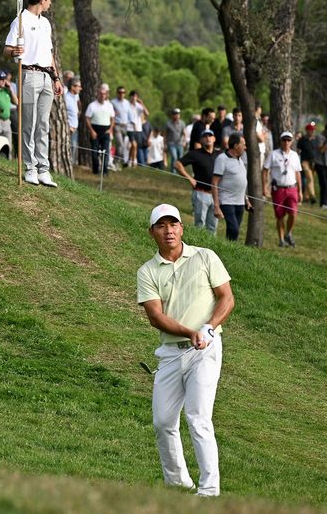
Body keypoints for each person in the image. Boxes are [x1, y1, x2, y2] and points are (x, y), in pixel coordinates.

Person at [137, 203, 234, 498]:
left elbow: (226, 298)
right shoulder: (147, 271)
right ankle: (178, 484)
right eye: (162, 226)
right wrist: (188, 331)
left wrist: (207, 328)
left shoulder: (205, 256)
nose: (169, 231)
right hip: (170, 353)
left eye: (174, 224)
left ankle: (209, 490)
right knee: (163, 421)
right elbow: (156, 317)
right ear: (152, 232)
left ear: (182, 228)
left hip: (205, 349)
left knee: (198, 416)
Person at [4, 0, 63, 187]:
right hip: (28, 76)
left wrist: (56, 78)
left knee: (43, 125)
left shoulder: (45, 23)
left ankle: (43, 170)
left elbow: (49, 54)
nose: (50, 3)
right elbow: (7, 49)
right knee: (28, 123)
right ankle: (29, 168)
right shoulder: (20, 20)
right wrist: (14, 52)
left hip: (47, 77)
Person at [174, 129, 219, 234]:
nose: (208, 138)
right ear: (201, 140)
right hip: (200, 193)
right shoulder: (195, 154)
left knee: (213, 226)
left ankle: (210, 248)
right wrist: (189, 178)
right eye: (205, 136)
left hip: (216, 194)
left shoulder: (219, 155)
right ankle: (198, 245)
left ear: (214, 138)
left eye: (210, 135)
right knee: (199, 223)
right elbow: (177, 164)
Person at [263, 131, 303, 247]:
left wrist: (300, 190)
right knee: (280, 215)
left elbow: (298, 173)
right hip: (278, 189)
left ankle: (288, 233)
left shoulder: (295, 155)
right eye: (284, 140)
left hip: (292, 188)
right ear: (280, 141)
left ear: (291, 142)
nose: (286, 142)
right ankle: (281, 240)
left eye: (288, 140)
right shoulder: (273, 154)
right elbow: (265, 170)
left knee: (293, 213)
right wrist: (265, 186)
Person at [210, 133, 250, 242]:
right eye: (243, 144)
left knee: (234, 231)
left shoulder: (240, 160)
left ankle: (229, 250)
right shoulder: (222, 159)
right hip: (227, 200)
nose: (245, 147)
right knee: (234, 229)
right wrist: (217, 206)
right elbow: (214, 182)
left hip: (240, 202)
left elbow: (242, 182)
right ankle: (229, 248)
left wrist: (246, 200)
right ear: (236, 145)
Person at [84, 83, 116, 174]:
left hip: (106, 130)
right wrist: (91, 131)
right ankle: (96, 170)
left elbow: (113, 118)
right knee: (95, 152)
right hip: (95, 130)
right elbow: (87, 118)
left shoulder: (109, 105)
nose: (102, 96)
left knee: (106, 152)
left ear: (106, 95)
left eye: (104, 94)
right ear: (98, 94)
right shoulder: (92, 105)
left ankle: (105, 171)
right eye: (101, 94)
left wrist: (110, 130)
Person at [296, 122, 318, 205]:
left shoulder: (315, 140)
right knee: (310, 178)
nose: (312, 131)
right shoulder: (302, 140)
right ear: (307, 130)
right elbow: (298, 151)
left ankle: (306, 197)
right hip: (304, 161)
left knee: (310, 179)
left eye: (313, 130)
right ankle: (312, 196)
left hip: (313, 162)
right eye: (311, 130)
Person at [63, 78, 82, 157]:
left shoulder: (75, 97)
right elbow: (63, 114)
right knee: (68, 148)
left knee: (74, 149)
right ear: (72, 87)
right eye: (78, 86)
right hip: (68, 128)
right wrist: (68, 125)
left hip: (74, 128)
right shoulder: (66, 98)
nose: (80, 88)